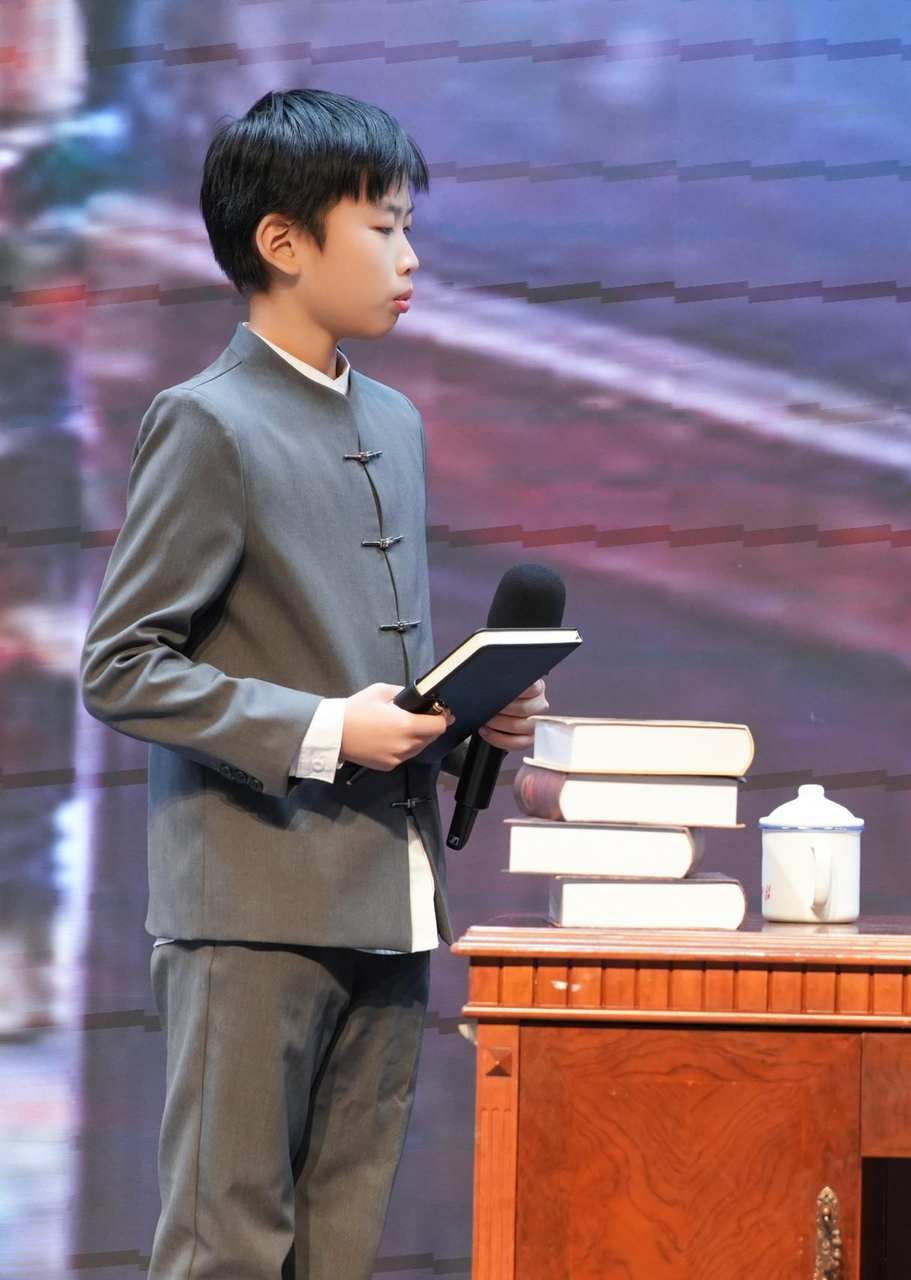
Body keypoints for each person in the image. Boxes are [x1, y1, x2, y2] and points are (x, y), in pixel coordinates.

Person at [79, 89, 546, 1278]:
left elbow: (373, 675)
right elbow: (122, 664)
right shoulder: (208, 422)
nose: (410, 255)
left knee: (338, 1251)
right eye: (383, 227)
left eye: (408, 226)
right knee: (226, 1248)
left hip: (390, 900)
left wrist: (469, 720)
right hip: (251, 908)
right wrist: (327, 727)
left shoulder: (393, 420)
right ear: (283, 242)